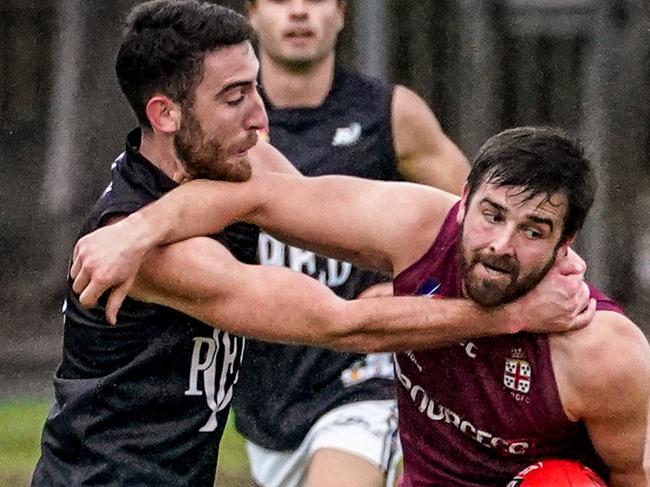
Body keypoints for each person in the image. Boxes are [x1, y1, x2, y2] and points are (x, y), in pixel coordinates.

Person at [30, 2, 591, 486]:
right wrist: (510, 314)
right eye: (234, 97)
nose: (260, 115)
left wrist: (522, 255)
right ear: (166, 113)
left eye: (256, 87)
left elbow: (331, 220)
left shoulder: (235, 161)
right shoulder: (149, 255)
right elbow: (341, 325)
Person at [71, 126, 650, 486]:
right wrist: (135, 230)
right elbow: (263, 194)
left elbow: (632, 474)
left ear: (564, 245)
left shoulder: (603, 351)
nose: (501, 245)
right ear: (464, 202)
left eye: (534, 230)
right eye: (493, 214)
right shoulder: (418, 225)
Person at [236, 0, 471, 485]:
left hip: (364, 377)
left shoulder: (390, 113)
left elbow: (481, 230)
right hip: (266, 386)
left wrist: (417, 291)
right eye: (281, 0)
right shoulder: (224, 120)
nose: (299, 13)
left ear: (341, 12)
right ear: (252, 13)